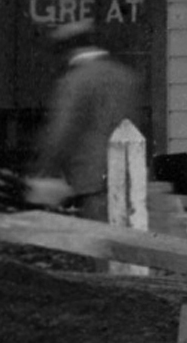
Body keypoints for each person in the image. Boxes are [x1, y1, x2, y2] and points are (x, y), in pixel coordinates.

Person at [32, 30, 176, 223]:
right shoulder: (126, 76)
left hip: (93, 179)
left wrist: (44, 169)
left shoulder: (76, 80)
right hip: (130, 173)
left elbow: (63, 130)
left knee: (101, 241)